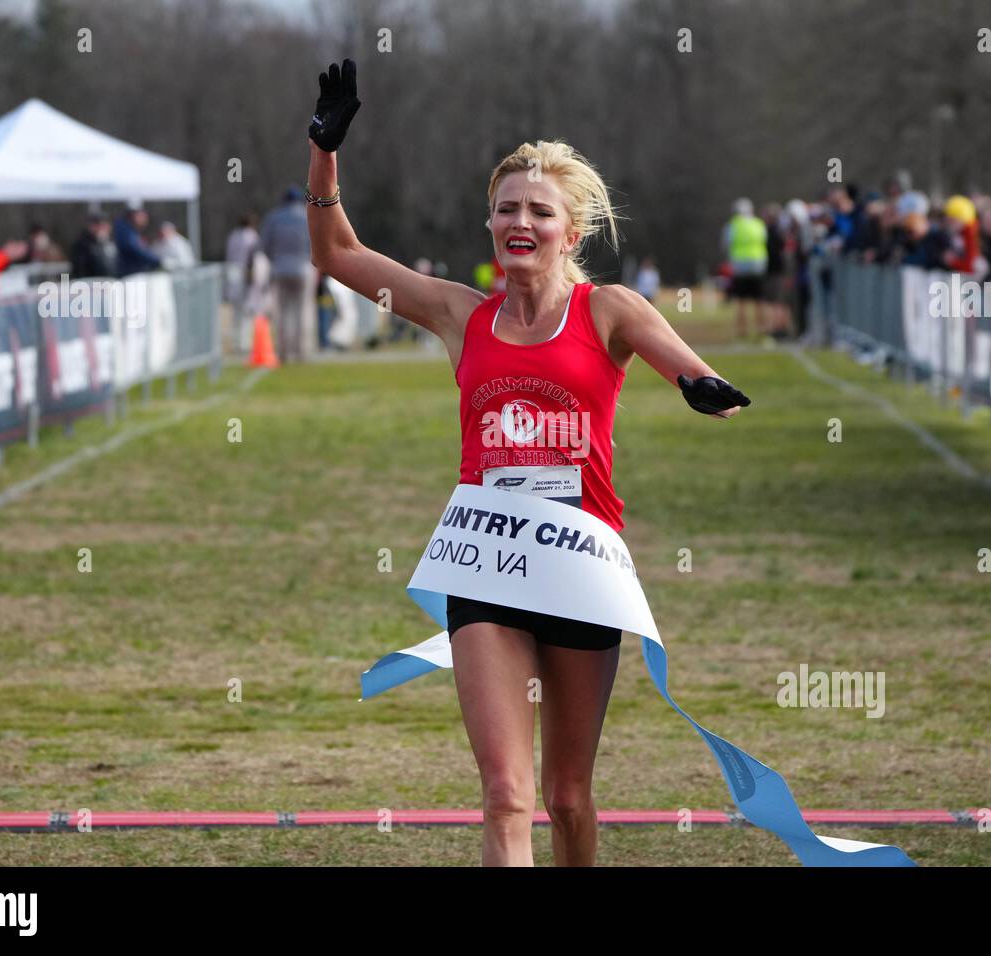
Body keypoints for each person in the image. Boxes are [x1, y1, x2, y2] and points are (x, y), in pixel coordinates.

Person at [303, 59, 749, 867]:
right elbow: (340, 256)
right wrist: (324, 153)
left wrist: (702, 383)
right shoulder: (457, 314)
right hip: (488, 561)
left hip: (581, 565)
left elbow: (680, 360)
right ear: (491, 225)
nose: (520, 220)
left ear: (569, 233)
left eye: (539, 211)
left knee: (567, 797)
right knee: (506, 794)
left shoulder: (607, 310)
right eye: (506, 208)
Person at [259, 185, 313, 362]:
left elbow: (265, 246)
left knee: (282, 313)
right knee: (302, 311)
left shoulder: (274, 218)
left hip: (280, 269)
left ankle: (283, 352)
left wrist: (275, 259)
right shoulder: (307, 217)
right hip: (302, 268)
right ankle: (301, 352)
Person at [721, 197, 768, 338]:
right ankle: (762, 331)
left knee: (741, 301)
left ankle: (742, 332)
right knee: (759, 300)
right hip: (758, 265)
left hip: (740, 266)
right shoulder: (759, 223)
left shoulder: (733, 225)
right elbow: (764, 240)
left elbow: (726, 244)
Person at [225, 213, 259, 350]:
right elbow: (254, 257)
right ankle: (244, 343)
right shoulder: (252, 236)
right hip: (246, 274)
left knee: (236, 312)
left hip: (233, 273)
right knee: (246, 311)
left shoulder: (233, 236)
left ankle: (237, 342)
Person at [113, 200, 162, 277]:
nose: (145, 219)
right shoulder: (126, 231)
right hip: (130, 275)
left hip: (133, 273)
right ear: (133, 215)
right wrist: (158, 261)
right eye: (142, 216)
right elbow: (136, 249)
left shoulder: (131, 231)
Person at [69, 213, 119, 279]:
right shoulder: (82, 245)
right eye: (99, 225)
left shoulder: (113, 242)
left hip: (113, 283)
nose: (102, 229)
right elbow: (81, 269)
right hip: (91, 284)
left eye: (105, 226)